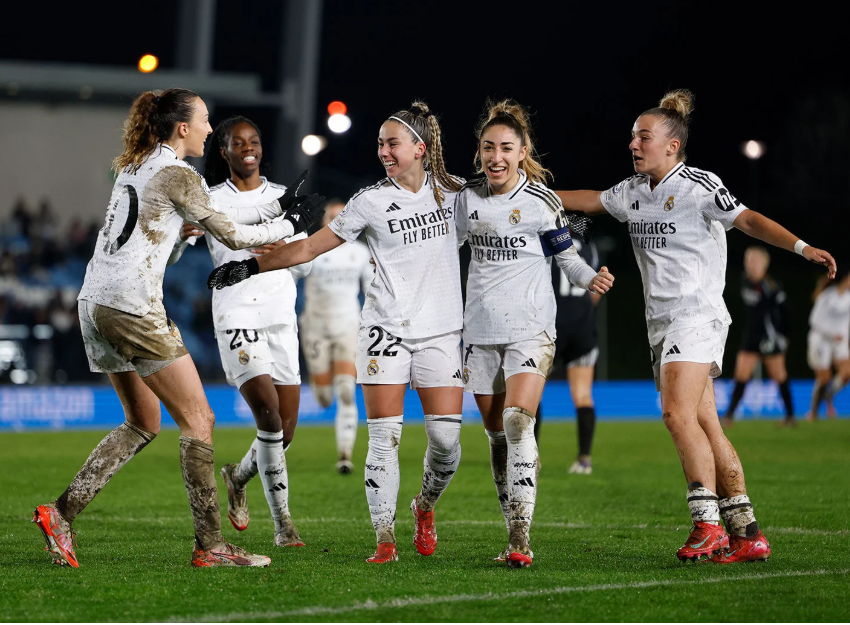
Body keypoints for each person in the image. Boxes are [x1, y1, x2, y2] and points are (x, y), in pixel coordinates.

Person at [32, 88, 324, 568]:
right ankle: (210, 547)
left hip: (95, 302)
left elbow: (174, 241)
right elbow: (236, 235)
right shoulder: (179, 173)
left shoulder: (137, 166)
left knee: (144, 422)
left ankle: (59, 514)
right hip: (132, 306)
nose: (211, 129)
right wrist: (288, 221)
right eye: (205, 120)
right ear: (183, 128)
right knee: (199, 420)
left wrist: (262, 214)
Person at [555, 89, 836, 564]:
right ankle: (747, 533)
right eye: (632, 136)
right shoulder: (632, 192)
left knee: (676, 415)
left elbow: (748, 220)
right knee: (706, 421)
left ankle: (707, 526)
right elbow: (589, 201)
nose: (633, 144)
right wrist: (532, 193)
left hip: (697, 316)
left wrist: (803, 248)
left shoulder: (700, 186)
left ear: (672, 145)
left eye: (643, 136)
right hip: (662, 323)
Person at [208, 101, 467, 565]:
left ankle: (424, 506)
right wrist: (251, 265)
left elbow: (517, 211)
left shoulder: (455, 194)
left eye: (393, 143)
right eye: (380, 143)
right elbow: (307, 247)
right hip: (383, 331)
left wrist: (570, 233)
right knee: (383, 436)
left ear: (420, 148)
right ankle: (384, 538)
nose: (383, 151)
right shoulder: (368, 201)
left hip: (442, 333)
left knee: (447, 443)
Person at [456, 100, 613, 568]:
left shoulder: (542, 200)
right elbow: (445, 251)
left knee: (518, 420)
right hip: (480, 332)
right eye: (488, 148)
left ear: (523, 151)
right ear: (480, 152)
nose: (496, 156)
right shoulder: (467, 199)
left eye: (506, 147)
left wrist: (590, 279)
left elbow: (565, 257)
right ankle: (514, 514)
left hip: (532, 328)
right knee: (498, 439)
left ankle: (521, 537)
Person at [170, 115, 312, 548]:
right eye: (237, 142)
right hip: (236, 315)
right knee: (267, 414)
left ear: (261, 148)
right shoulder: (208, 199)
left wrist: (281, 251)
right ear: (224, 150)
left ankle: (237, 475)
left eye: (254, 141)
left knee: (284, 432)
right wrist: (180, 234)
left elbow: (305, 263)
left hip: (280, 316)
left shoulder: (284, 197)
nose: (247, 148)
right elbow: (175, 255)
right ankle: (284, 524)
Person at [298, 199, 373, 474]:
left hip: (347, 326)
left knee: (345, 391)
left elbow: (371, 290)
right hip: (315, 327)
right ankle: (319, 386)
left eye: (342, 215)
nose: (338, 219)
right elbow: (292, 275)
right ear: (323, 220)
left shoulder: (361, 252)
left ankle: (345, 455)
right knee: (323, 398)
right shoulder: (313, 249)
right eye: (332, 215)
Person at [545, 236, 603, 473]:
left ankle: (530, 459)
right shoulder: (590, 246)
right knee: (583, 396)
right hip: (582, 326)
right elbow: (597, 290)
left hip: (551, 325)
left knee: (532, 395)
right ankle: (584, 459)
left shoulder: (546, 239)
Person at [721, 246, 795, 428]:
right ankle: (729, 417)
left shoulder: (771, 287)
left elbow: (784, 314)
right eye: (747, 260)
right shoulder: (745, 280)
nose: (749, 264)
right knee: (741, 375)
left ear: (764, 264)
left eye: (753, 260)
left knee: (779, 376)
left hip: (769, 337)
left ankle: (790, 417)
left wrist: (784, 337)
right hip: (751, 336)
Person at [805, 267, 850, 420]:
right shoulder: (827, 296)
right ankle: (813, 413)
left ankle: (829, 395)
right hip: (821, 339)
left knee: (847, 372)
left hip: (839, 341)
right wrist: (832, 335)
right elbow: (814, 321)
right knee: (824, 379)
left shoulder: (848, 297)